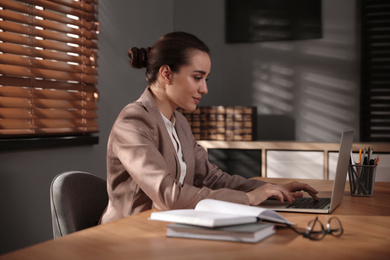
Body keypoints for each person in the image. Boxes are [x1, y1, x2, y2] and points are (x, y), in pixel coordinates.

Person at [99, 31, 318, 224]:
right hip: (129, 234)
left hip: (167, 228)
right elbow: (169, 195)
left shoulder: (180, 122)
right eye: (197, 77)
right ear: (166, 74)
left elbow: (212, 179)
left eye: (206, 79)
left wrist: (269, 189)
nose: (204, 89)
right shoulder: (133, 121)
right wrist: (248, 198)